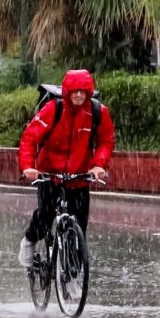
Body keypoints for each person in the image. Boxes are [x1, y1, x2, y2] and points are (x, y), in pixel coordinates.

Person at [17, 69, 115, 267]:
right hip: (50, 174)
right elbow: (29, 138)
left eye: (83, 91)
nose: (79, 95)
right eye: (75, 91)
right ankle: (29, 241)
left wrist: (98, 165)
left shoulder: (97, 112)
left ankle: (73, 273)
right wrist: (28, 166)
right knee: (45, 216)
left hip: (79, 177)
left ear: (89, 92)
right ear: (67, 91)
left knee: (79, 228)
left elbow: (106, 140)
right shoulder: (54, 109)